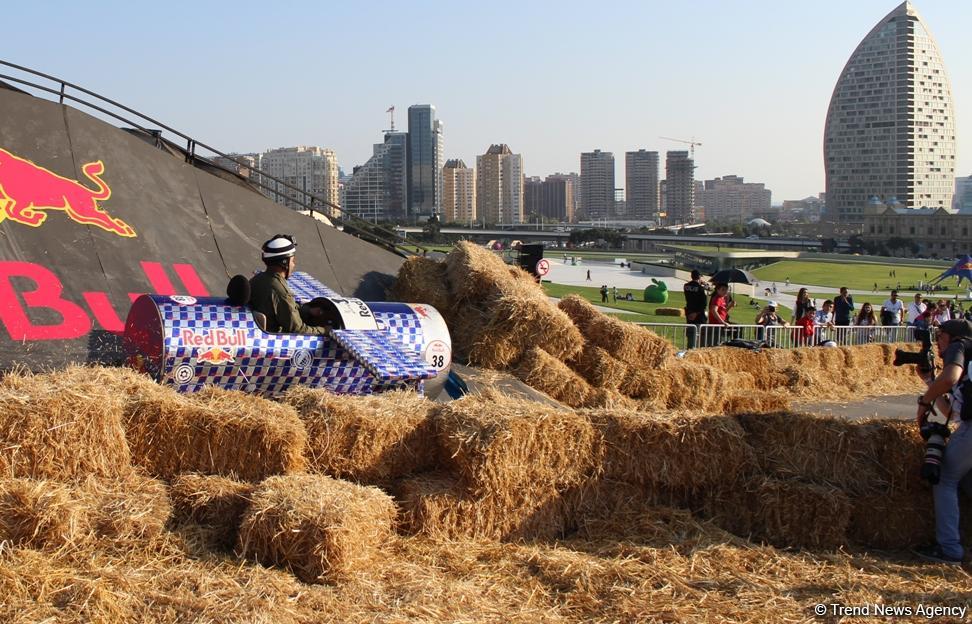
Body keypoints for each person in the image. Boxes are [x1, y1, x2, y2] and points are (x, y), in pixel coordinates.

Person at [913, 319, 972, 564]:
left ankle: (949, 549)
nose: (938, 342)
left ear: (952, 336)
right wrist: (929, 382)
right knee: (967, 480)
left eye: (940, 336)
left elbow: (949, 378)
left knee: (945, 477)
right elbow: (952, 413)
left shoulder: (961, 345)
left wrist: (925, 402)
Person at [249, 235, 328, 335]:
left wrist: (308, 311)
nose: (294, 265)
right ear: (284, 262)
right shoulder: (280, 291)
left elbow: (286, 309)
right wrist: (325, 330)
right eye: (292, 261)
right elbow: (298, 329)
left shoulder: (258, 278)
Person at [683, 270, 707, 349]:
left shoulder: (686, 286)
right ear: (699, 277)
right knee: (700, 333)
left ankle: (690, 348)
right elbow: (704, 303)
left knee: (690, 332)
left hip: (689, 312)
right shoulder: (701, 288)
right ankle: (698, 349)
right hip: (699, 314)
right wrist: (704, 286)